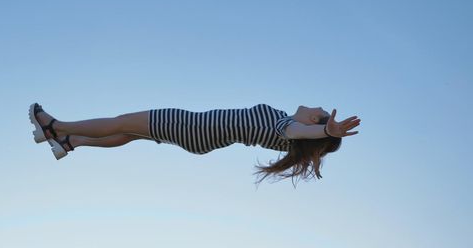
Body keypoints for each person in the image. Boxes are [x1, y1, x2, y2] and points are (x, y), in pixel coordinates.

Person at [29, 103, 360, 181]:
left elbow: (300, 133)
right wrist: (324, 135)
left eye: (320, 112)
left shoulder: (288, 126)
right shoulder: (285, 133)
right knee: (130, 134)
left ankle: (53, 127)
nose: (317, 106)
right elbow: (302, 137)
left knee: (120, 123)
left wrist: (328, 133)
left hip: (192, 126)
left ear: (312, 123)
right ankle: (71, 143)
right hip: (200, 138)